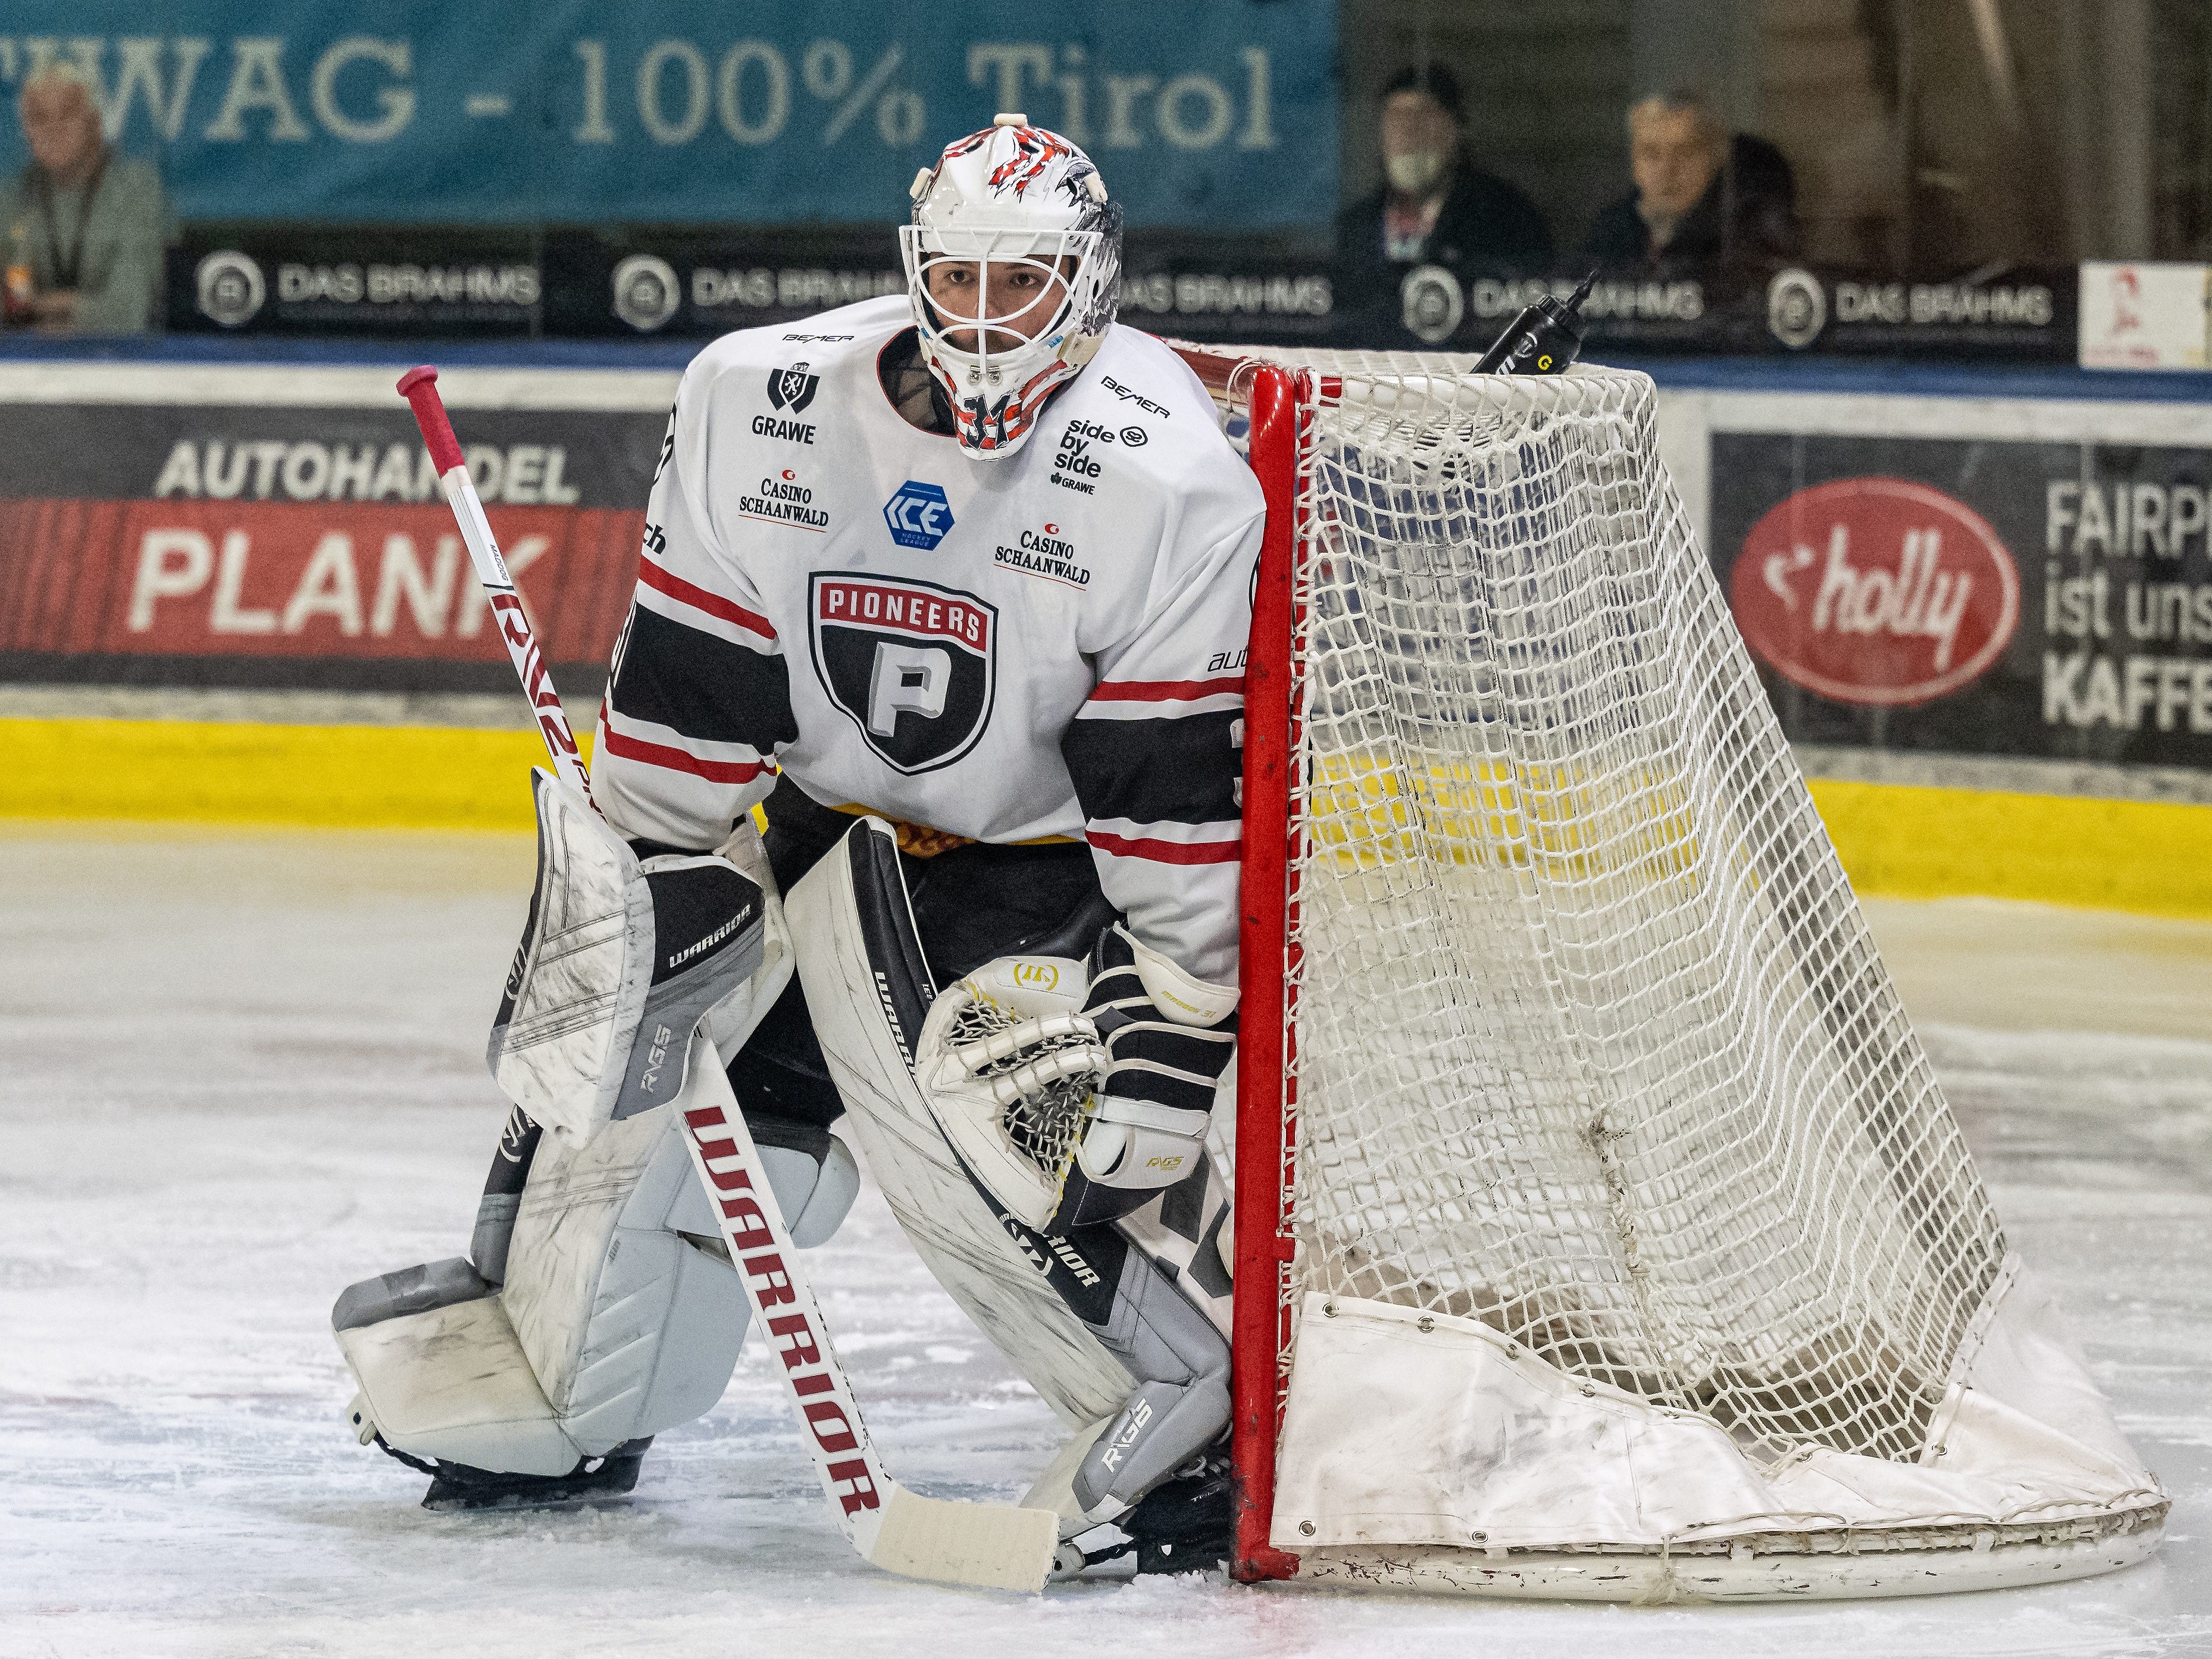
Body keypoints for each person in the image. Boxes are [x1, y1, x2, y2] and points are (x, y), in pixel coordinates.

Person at [332, 115, 1260, 1582]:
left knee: (996, 1121)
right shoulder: (757, 402)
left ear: (1087, 285)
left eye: (1017, 286)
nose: (978, 320)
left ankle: (1195, 1414)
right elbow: (696, 694)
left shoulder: (1169, 478)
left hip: (1042, 872)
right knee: (636, 1086)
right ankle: (575, 1389)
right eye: (952, 280)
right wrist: (647, 882)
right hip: (824, 831)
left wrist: (1180, 1010)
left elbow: (1162, 788)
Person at [1335, 62, 1554, 343]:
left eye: (1423, 117)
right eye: (1396, 119)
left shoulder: (1504, 217)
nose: (1408, 133)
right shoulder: (1357, 225)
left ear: (1454, 131)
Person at [1, 62, 168, 334]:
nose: (52, 130)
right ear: (26, 132)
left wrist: (47, 309)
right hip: (27, 366)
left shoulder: (137, 189)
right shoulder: (14, 196)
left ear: (94, 123)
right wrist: (66, 309)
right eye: (39, 118)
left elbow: (129, 311)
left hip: (127, 364)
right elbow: (10, 304)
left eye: (66, 115)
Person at [1581, 90, 1800, 278]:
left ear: (1715, 159)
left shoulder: (1743, 235)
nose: (1666, 170)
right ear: (1633, 162)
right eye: (1650, 153)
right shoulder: (1612, 231)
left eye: (1684, 153)